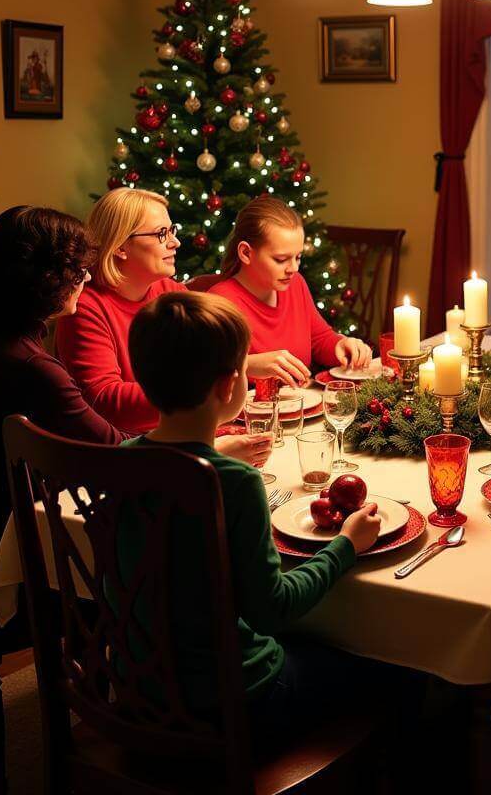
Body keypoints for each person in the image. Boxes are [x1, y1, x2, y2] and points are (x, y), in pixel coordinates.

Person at [124, 290, 382, 738]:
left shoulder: (123, 459)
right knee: (387, 663)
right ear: (229, 386)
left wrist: (214, 448)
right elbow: (273, 610)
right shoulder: (233, 483)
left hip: (143, 686)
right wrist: (346, 546)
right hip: (236, 696)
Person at [0, 207, 125, 625]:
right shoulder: (31, 366)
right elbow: (120, 453)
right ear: (46, 279)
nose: (88, 278)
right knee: (150, 564)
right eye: (78, 270)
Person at [56, 188, 186, 432]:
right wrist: (195, 392)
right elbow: (106, 402)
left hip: (172, 430)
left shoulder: (169, 290)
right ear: (121, 247)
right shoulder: (85, 308)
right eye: (161, 233)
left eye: (172, 230)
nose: (175, 242)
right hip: (120, 452)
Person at [209, 197, 371, 386]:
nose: (293, 268)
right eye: (280, 259)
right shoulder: (220, 303)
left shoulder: (295, 284)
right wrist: (247, 365)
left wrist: (340, 345)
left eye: (298, 257)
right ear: (246, 253)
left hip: (303, 409)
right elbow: (205, 373)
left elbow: (319, 338)